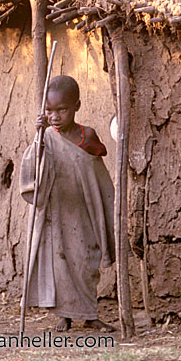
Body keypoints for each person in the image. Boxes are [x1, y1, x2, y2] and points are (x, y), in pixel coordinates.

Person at [20, 75, 115, 332]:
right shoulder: (47, 138)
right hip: (58, 211)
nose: (55, 116)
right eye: (49, 111)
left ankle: (90, 314)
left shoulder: (88, 136)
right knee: (60, 263)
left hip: (84, 211)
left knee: (86, 261)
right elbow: (35, 171)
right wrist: (38, 138)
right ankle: (65, 315)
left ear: (77, 106)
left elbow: (97, 175)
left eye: (62, 109)